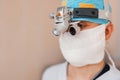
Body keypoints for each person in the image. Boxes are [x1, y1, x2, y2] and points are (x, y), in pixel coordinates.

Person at [42, 0, 120, 80]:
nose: (69, 34)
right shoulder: (50, 75)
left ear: (107, 31)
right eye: (65, 27)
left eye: (80, 25)